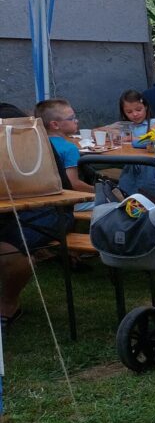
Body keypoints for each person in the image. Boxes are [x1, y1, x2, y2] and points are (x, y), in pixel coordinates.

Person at [0, 102, 72, 331]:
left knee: (10, 248)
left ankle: (8, 304)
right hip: (9, 209)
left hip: (48, 206)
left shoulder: (10, 120)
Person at [33, 98, 91, 196]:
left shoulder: (36, 144)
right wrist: (100, 191)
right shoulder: (69, 148)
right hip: (65, 199)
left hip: (41, 195)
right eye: (71, 118)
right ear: (55, 125)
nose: (76, 121)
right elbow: (73, 184)